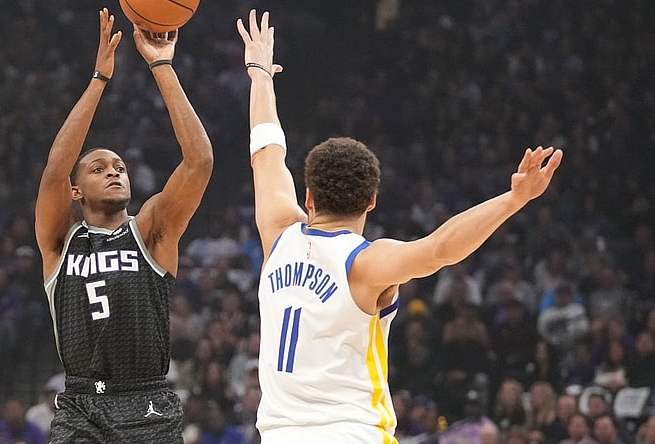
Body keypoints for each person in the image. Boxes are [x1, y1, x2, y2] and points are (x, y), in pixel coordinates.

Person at [236, 9, 563, 442]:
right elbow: (441, 249)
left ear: (309, 197)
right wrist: (514, 198)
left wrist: (260, 75)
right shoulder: (365, 263)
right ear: (372, 200)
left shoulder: (277, 232)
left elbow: (267, 152)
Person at [34, 8, 212, 444]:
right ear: (76, 191)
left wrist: (162, 64)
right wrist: (99, 79)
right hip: (79, 403)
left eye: (120, 166)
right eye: (98, 168)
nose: (115, 172)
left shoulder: (151, 230)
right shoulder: (60, 241)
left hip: (147, 400)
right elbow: (56, 171)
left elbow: (200, 161)